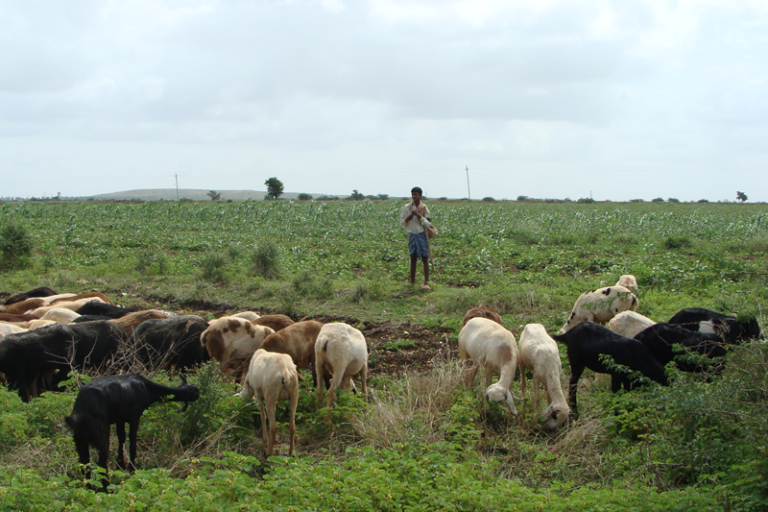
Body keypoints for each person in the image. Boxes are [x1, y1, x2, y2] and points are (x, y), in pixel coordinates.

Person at [400, 187, 433, 290]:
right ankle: (413, 281)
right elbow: (402, 222)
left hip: (422, 234)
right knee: (413, 258)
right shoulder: (407, 207)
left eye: (416, 194)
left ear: (420, 195)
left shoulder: (424, 208)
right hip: (412, 234)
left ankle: (426, 281)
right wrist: (408, 218)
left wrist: (418, 215)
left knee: (425, 258)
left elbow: (428, 224)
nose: (414, 196)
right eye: (412, 194)